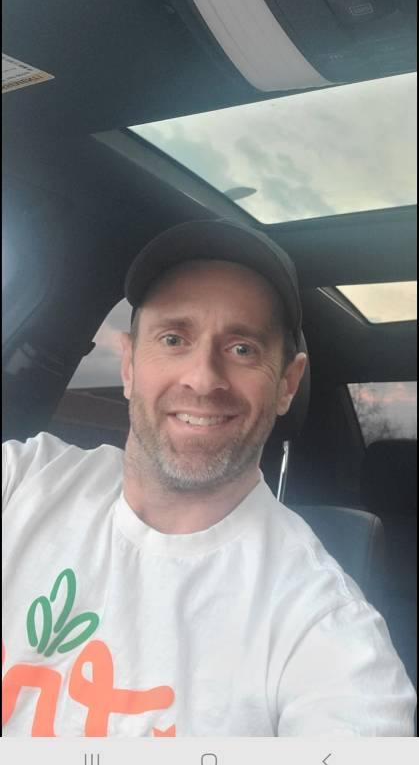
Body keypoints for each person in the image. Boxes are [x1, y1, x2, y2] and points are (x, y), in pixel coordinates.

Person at [2, 219, 416, 737]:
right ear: (129, 365)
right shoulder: (23, 480)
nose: (202, 379)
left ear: (287, 385)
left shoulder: (324, 625)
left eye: (243, 349)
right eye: (174, 338)